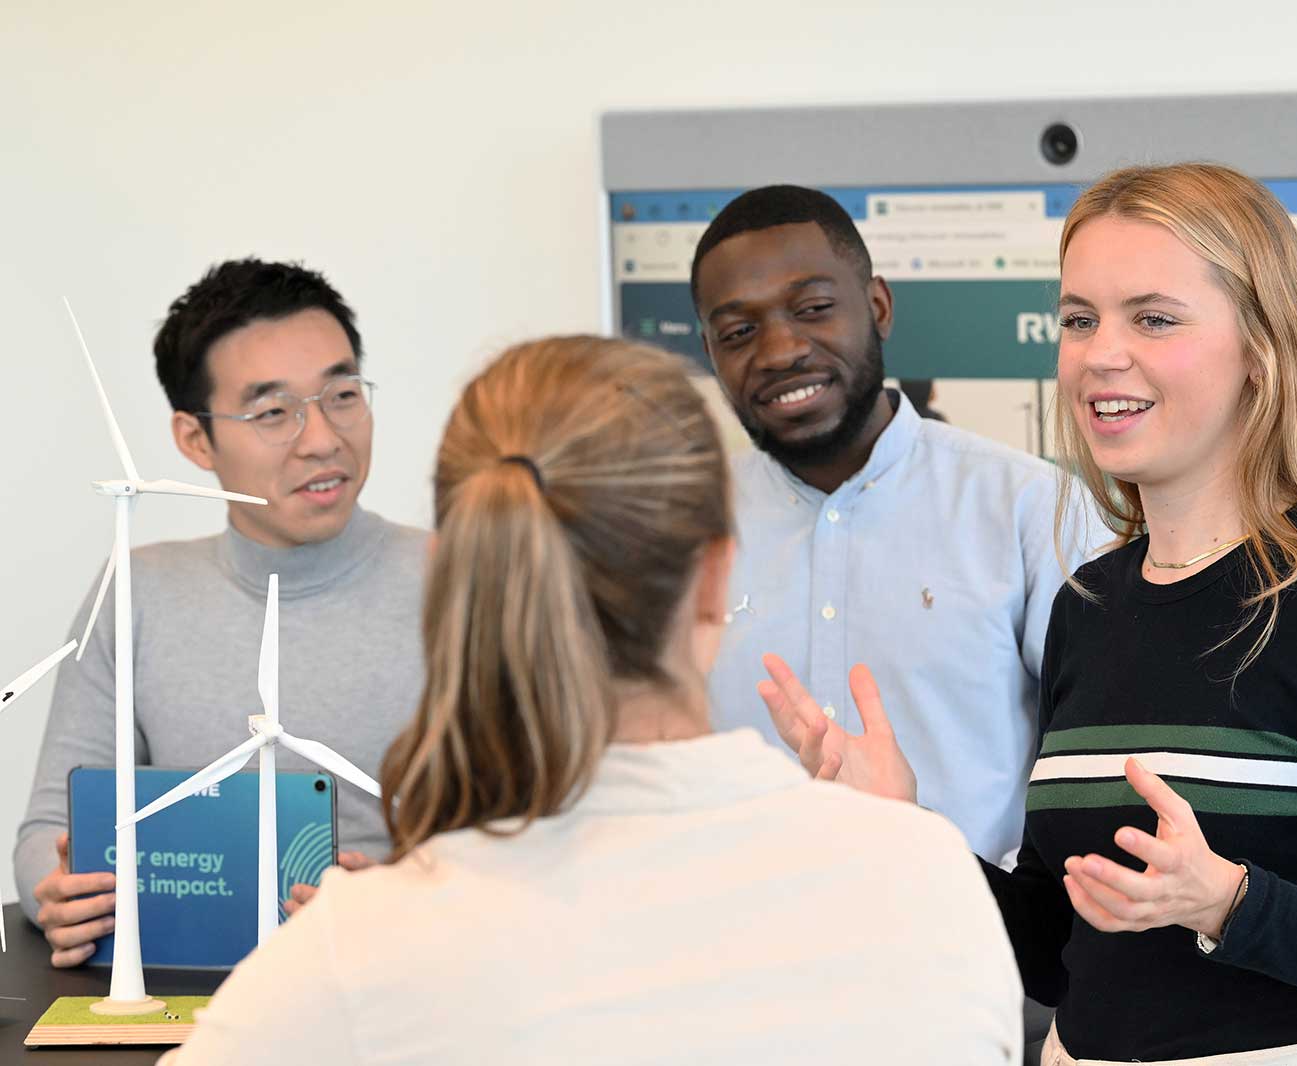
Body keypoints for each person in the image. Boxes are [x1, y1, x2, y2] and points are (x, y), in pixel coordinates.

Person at [763, 164, 1297, 1064]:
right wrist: (908, 837)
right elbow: (1055, 951)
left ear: (1261, 348)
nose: (1098, 353)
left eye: (1152, 318)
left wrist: (1227, 901)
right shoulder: (1090, 603)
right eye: (1078, 319)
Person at [159, 336, 1022, 1065]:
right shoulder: (926, 883)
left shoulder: (355, 954)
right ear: (716, 577)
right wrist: (881, 836)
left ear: (466, 585)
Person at [15, 258, 427, 966]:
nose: (323, 437)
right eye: (274, 412)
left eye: (343, 393)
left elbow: (545, 832)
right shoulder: (137, 590)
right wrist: (53, 891)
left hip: (408, 983)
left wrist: (403, 899)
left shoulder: (468, 582)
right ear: (195, 439)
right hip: (189, 994)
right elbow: (52, 825)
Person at [693, 185, 1108, 867]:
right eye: (739, 332)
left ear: (878, 308)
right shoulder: (680, 532)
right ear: (712, 354)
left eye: (814, 309)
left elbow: (1095, 779)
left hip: (968, 952)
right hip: (742, 959)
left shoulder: (1032, 510)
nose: (778, 351)